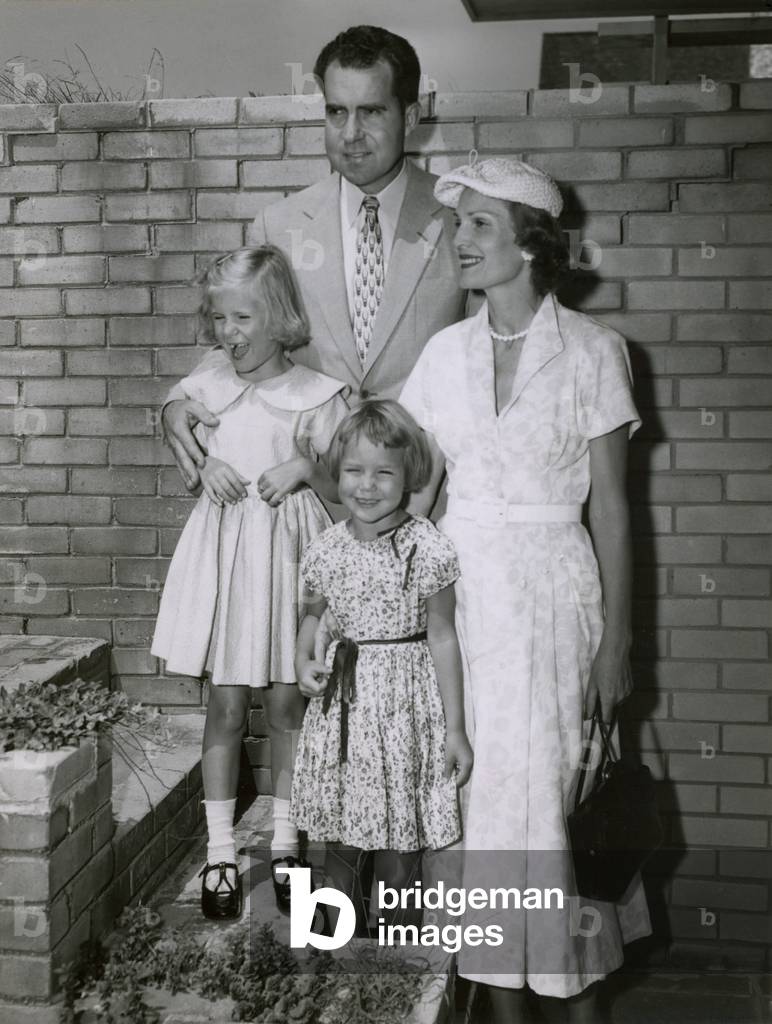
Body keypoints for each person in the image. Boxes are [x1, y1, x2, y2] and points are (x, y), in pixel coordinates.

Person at [399, 157, 651, 1022]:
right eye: (456, 223)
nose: (459, 240)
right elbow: (417, 494)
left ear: (532, 244)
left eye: (479, 224)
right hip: (463, 605)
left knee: (553, 809)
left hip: (555, 603)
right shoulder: (443, 354)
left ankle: (577, 1003)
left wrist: (617, 642)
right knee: (478, 809)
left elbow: (612, 507)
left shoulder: (594, 351)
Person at [162, 25, 466, 494]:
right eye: (336, 112)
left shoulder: (459, 219)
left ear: (410, 116)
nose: (351, 134)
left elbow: (486, 363)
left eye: (371, 112)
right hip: (307, 502)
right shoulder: (279, 226)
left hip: (424, 492)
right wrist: (178, 401)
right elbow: (240, 337)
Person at [151, 246, 348, 919]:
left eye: (243, 317)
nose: (229, 332)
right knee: (226, 707)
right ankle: (220, 855)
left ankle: (287, 846)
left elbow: (347, 482)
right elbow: (178, 421)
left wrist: (305, 469)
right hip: (227, 559)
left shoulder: (316, 395)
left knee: (288, 705)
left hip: (290, 560)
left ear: (280, 316)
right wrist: (205, 466)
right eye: (219, 317)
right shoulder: (206, 383)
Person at [290, 400, 473, 934]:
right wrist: (303, 660)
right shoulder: (325, 548)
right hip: (344, 711)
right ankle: (335, 939)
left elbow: (443, 635)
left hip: (404, 713)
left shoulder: (426, 547)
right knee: (341, 836)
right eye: (354, 471)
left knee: (400, 839)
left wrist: (455, 730)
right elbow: (312, 616)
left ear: (409, 475)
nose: (366, 486)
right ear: (336, 474)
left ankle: (398, 950)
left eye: (383, 473)